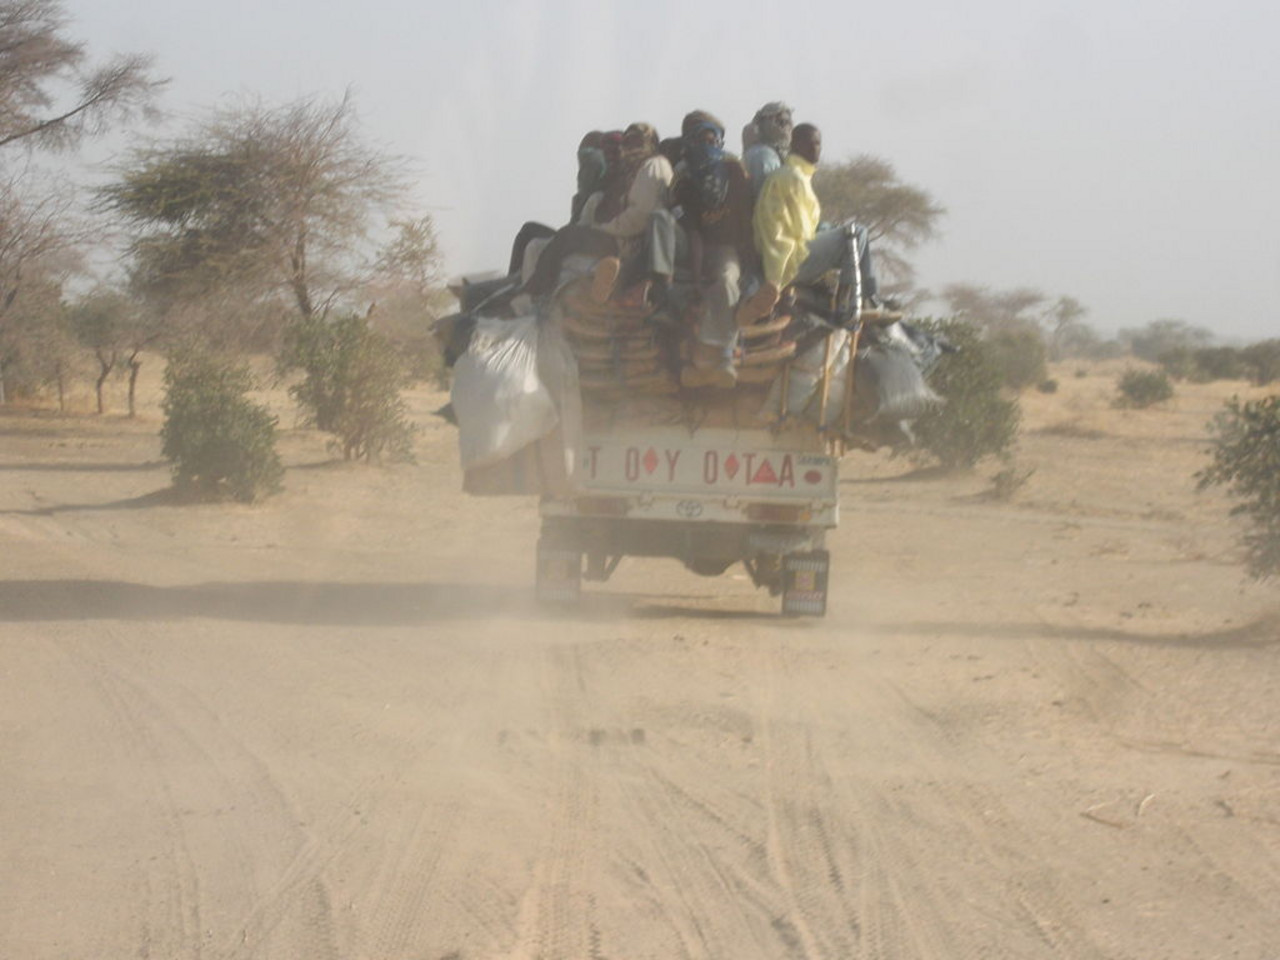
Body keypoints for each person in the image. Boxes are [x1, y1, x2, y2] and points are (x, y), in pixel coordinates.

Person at [739, 123, 884, 328]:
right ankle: (853, 303)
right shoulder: (794, 178)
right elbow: (805, 231)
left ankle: (858, 298)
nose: (817, 149)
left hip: (780, 254)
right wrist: (832, 232)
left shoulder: (792, 174)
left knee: (847, 233)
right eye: (812, 143)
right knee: (857, 233)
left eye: (818, 144)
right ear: (796, 145)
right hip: (788, 259)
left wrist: (829, 230)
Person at [671, 110, 755, 389]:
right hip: (690, 247)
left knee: (728, 280)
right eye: (701, 140)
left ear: (720, 142)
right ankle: (688, 360)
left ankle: (722, 356)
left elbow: (747, 220)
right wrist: (696, 277)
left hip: (726, 248)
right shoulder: (684, 175)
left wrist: (752, 265)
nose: (708, 146)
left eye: (712, 140)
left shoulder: (734, 170)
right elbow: (692, 230)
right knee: (675, 296)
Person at [743, 101, 793, 197]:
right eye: (782, 122)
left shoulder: (761, 151)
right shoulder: (765, 156)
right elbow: (765, 194)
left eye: (788, 122)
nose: (787, 128)